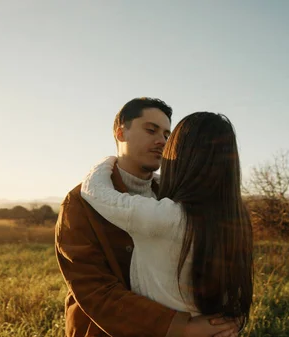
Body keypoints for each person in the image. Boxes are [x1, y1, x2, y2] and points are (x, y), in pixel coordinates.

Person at [55, 99, 241, 337]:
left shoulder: (174, 197)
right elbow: (93, 289)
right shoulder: (80, 202)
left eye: (167, 134)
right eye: (150, 130)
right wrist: (179, 327)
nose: (161, 141)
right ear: (120, 132)